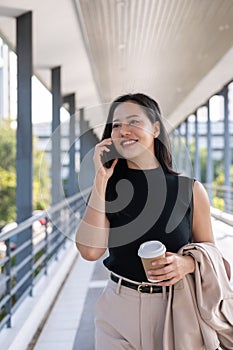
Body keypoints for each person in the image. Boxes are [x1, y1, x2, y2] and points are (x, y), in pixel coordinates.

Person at [75, 93, 217, 350]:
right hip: (118, 309)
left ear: (155, 128)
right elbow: (89, 251)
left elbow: (215, 257)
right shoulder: (107, 188)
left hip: (176, 309)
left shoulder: (190, 191)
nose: (123, 130)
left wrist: (186, 263)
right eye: (116, 125)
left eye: (133, 122)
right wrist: (100, 179)